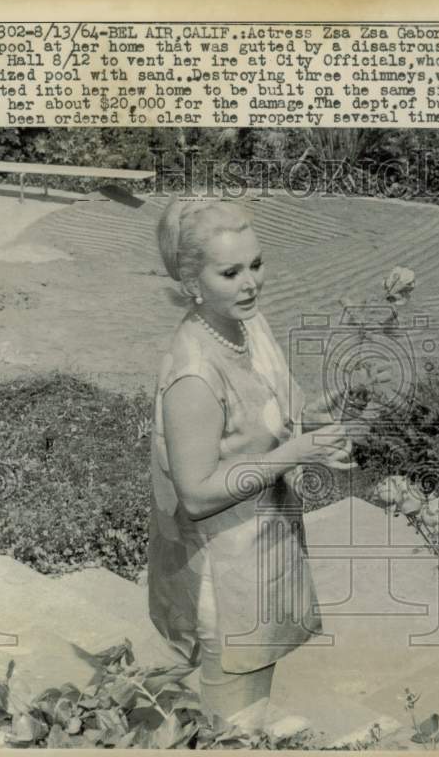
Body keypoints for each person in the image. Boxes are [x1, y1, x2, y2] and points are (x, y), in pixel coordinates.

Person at [147, 197, 376, 730]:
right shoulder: (193, 376)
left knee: (253, 698)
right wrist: (293, 453)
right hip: (221, 573)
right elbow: (197, 494)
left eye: (256, 264)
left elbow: (277, 407)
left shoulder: (246, 325)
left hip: (262, 551)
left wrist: (316, 419)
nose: (251, 282)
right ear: (190, 283)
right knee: (231, 723)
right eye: (230, 272)